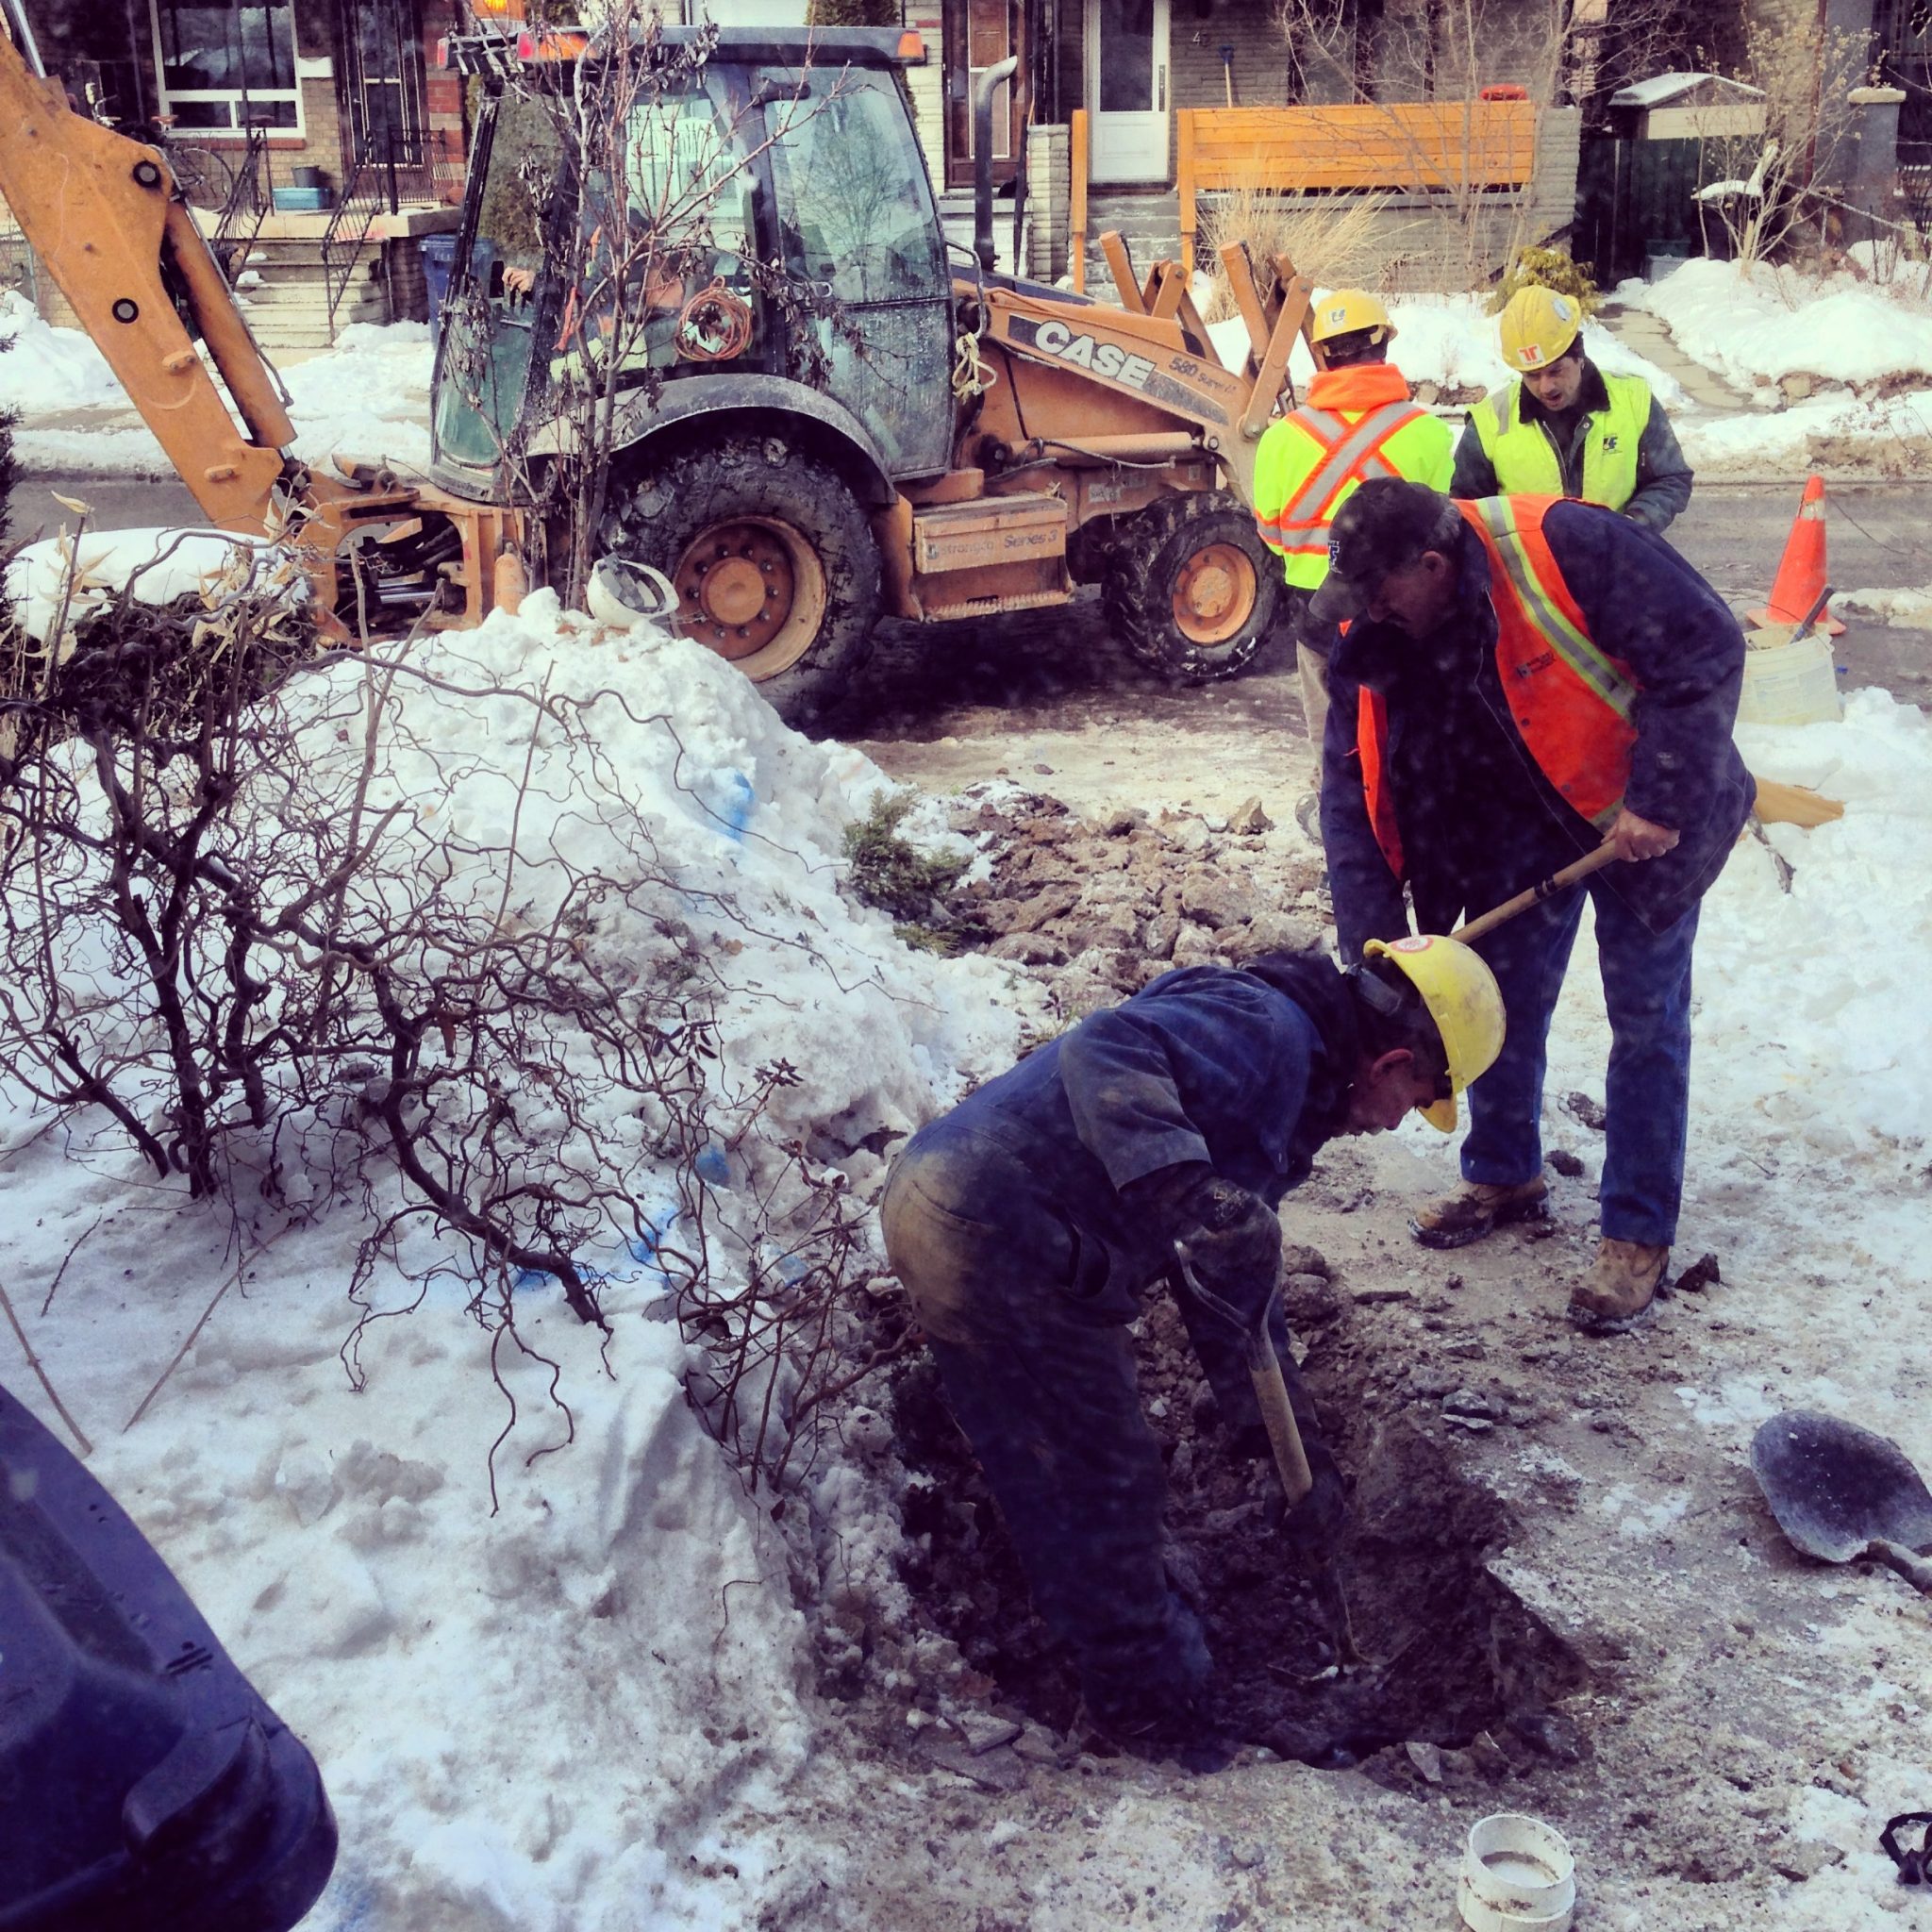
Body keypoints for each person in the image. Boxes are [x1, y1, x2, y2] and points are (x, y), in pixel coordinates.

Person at [879, 939, 1504, 1766]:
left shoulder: (1290, 1064)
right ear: (1390, 1058)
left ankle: (1106, 1623)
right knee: (1099, 1474)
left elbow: (1228, 1271)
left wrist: (1292, 1458)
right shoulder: (1268, 1033)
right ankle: (1148, 1712)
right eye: (1410, 1099)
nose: (1393, 1123)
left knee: (1055, 1455)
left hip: (973, 1206)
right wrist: (1186, 1187)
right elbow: (1104, 1042)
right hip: (993, 1222)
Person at [1310, 477, 1753, 1334]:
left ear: (1433, 565)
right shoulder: (1379, 632)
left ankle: (1636, 1233)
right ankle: (1505, 1170)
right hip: (1519, 832)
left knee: (1646, 1019)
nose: (1367, 613)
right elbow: (1350, 794)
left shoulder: (1564, 545)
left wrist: (1659, 798)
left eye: (1380, 593)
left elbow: (1703, 650)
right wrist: (1377, 949)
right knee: (1496, 999)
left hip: (1640, 823)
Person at [1252, 291, 1454, 833]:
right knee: (1403, 718)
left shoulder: (1281, 437)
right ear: (1382, 342)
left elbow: (1269, 529)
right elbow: (1446, 532)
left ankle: (1339, 819)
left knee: (1332, 725)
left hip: (1316, 606)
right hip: (1403, 610)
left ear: (1323, 357)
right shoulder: (1428, 432)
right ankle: (1408, 821)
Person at [1451, 285, 1693, 535]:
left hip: (1614, 566)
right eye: (1532, 376)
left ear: (1579, 356)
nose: (1546, 387)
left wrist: (1632, 528)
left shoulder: (1633, 401)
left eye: (1556, 370)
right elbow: (1465, 508)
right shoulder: (1490, 420)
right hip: (1531, 571)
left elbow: (1671, 478)